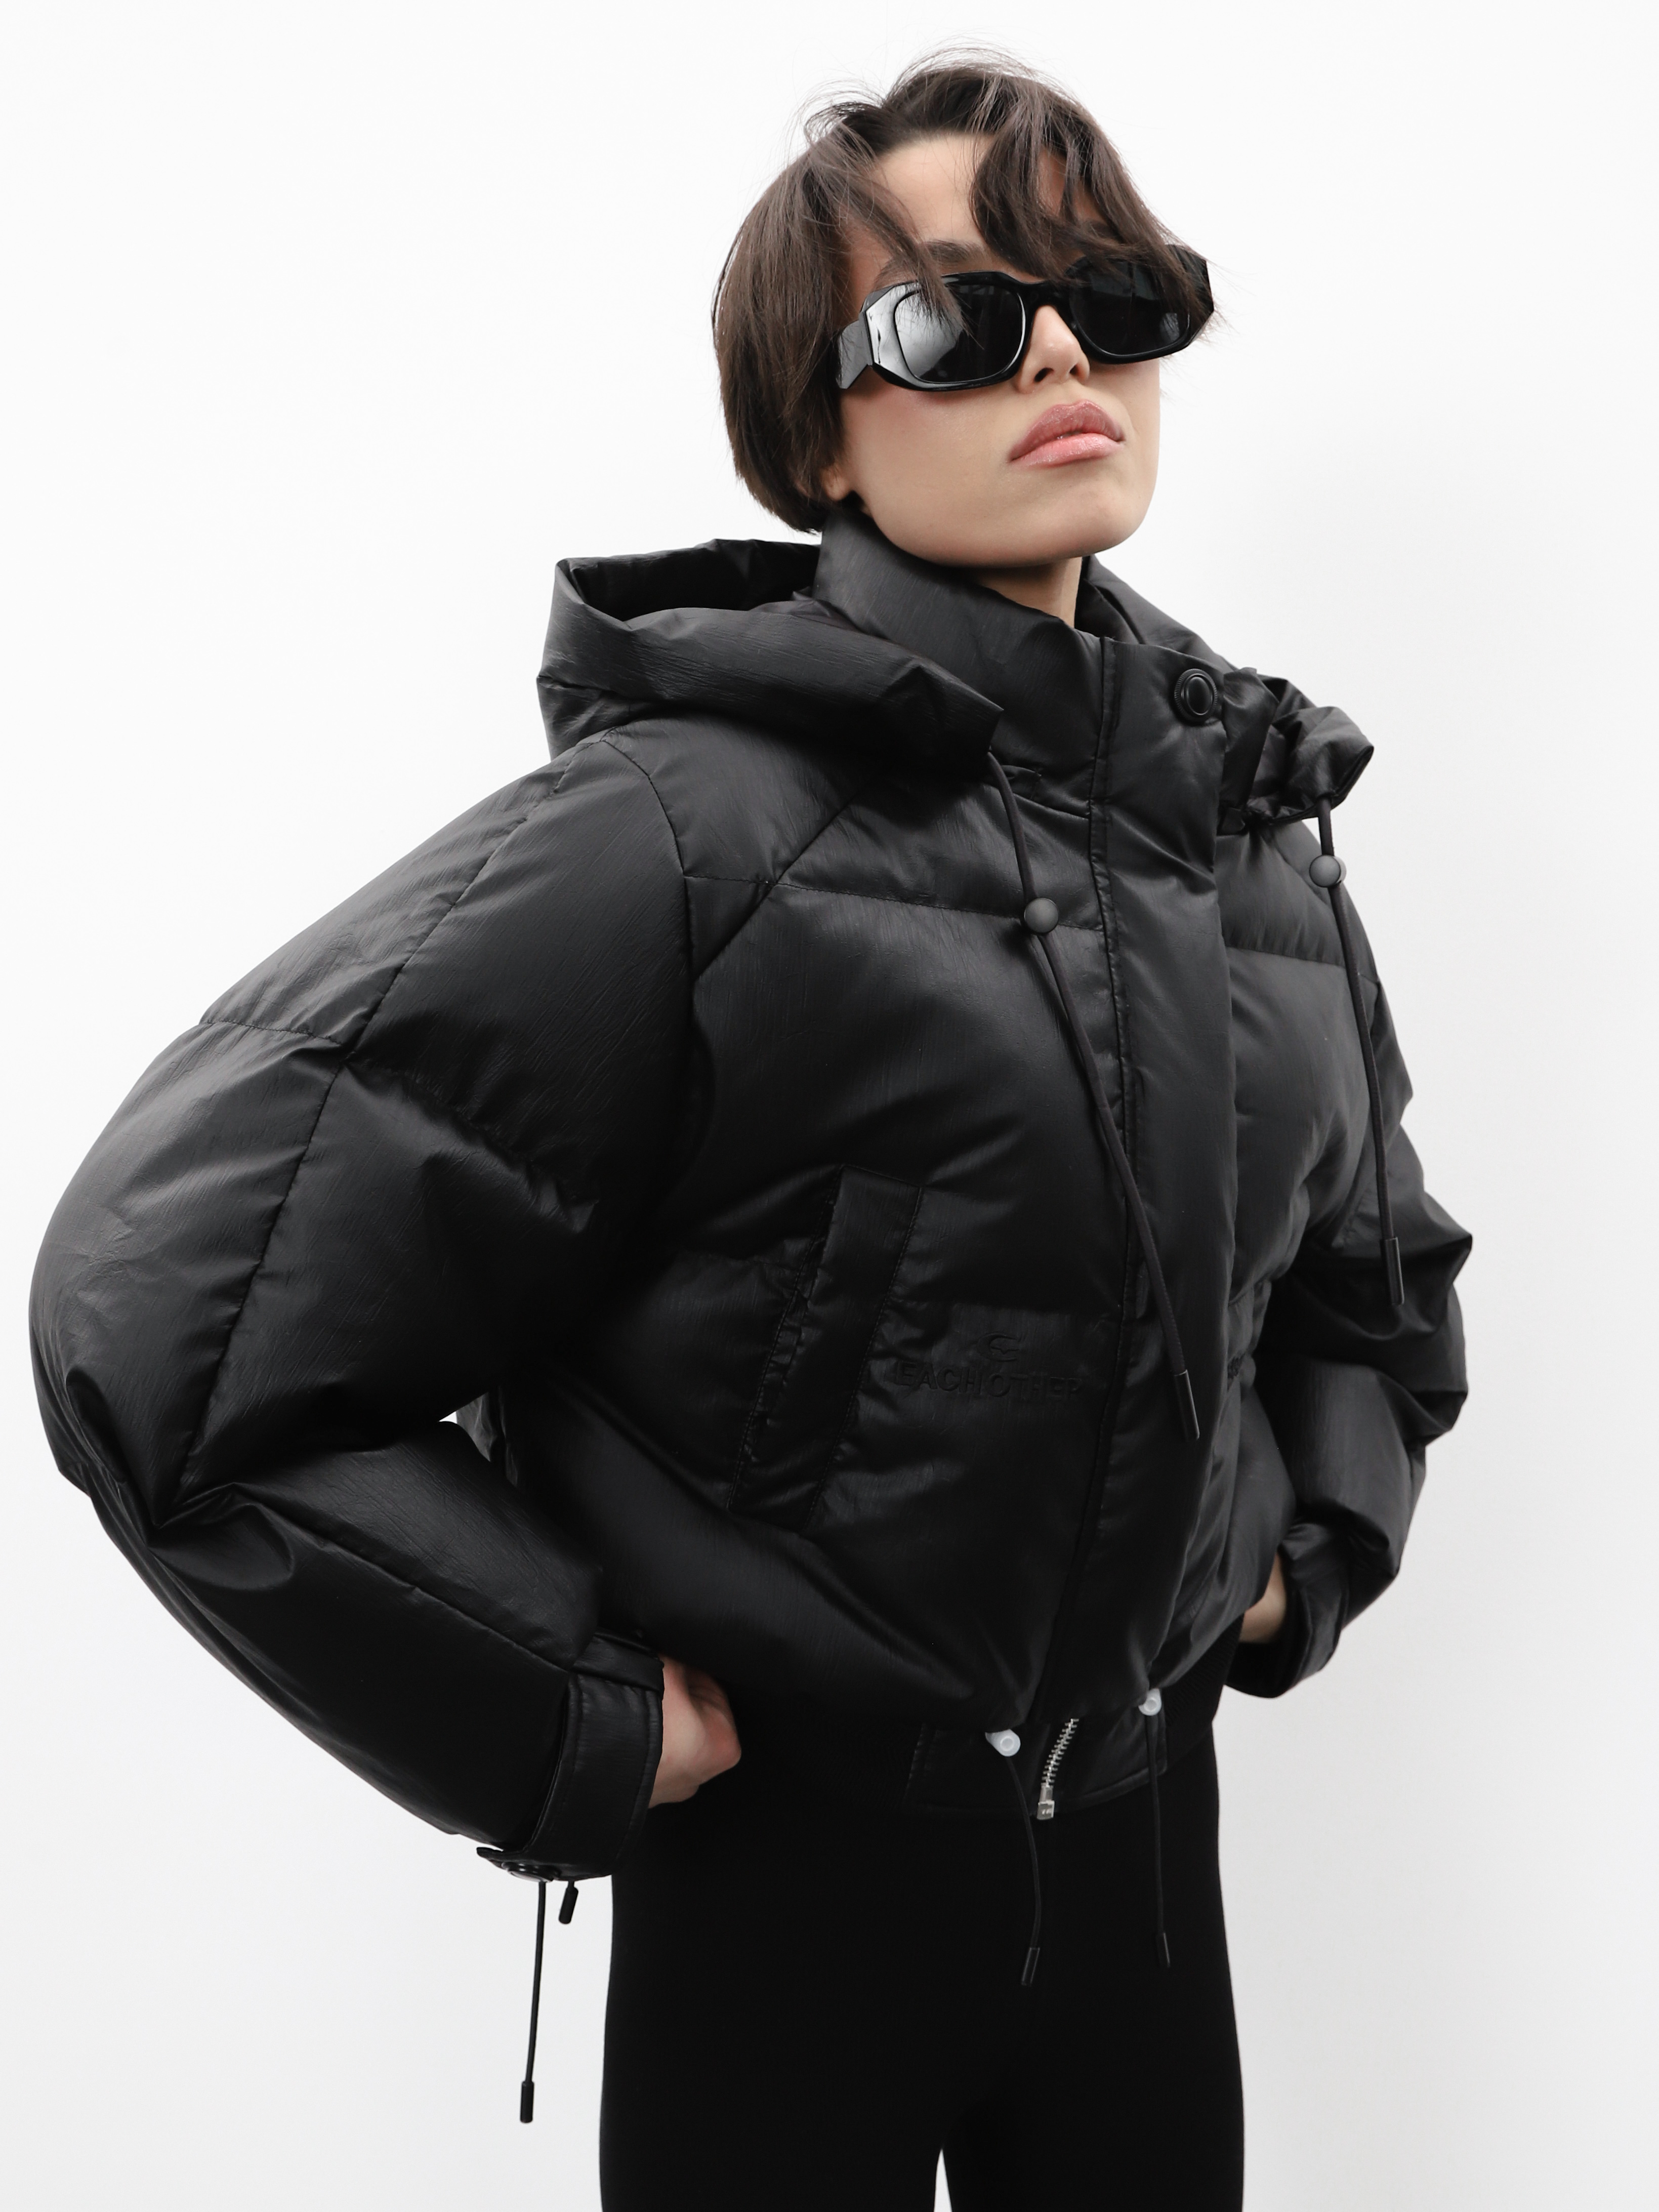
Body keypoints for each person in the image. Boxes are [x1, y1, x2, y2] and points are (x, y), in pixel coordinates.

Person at [30, 52, 1469, 2212]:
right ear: (817, 428)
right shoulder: (682, 837)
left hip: (1145, 1882)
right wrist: (571, 1700)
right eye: (961, 316)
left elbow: (1375, 1280)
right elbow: (166, 1318)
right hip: (792, 1894)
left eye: (1114, 294)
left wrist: (1295, 1558)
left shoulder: (1248, 834)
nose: (1060, 355)